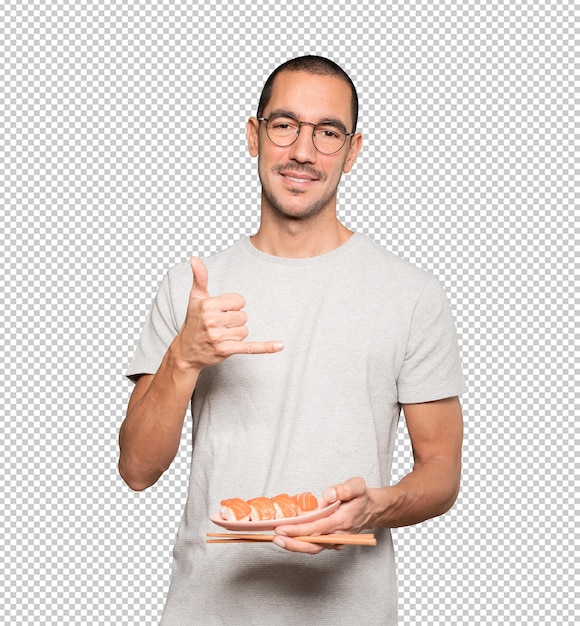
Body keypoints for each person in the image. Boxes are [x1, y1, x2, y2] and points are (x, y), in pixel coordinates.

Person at [119, 55, 466, 626]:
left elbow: (442, 472)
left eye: (328, 133)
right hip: (207, 611)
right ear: (254, 136)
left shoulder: (412, 294)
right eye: (284, 125)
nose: (303, 151)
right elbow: (136, 469)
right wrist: (184, 357)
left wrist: (374, 507)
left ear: (353, 152)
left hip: (351, 613)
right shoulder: (191, 287)